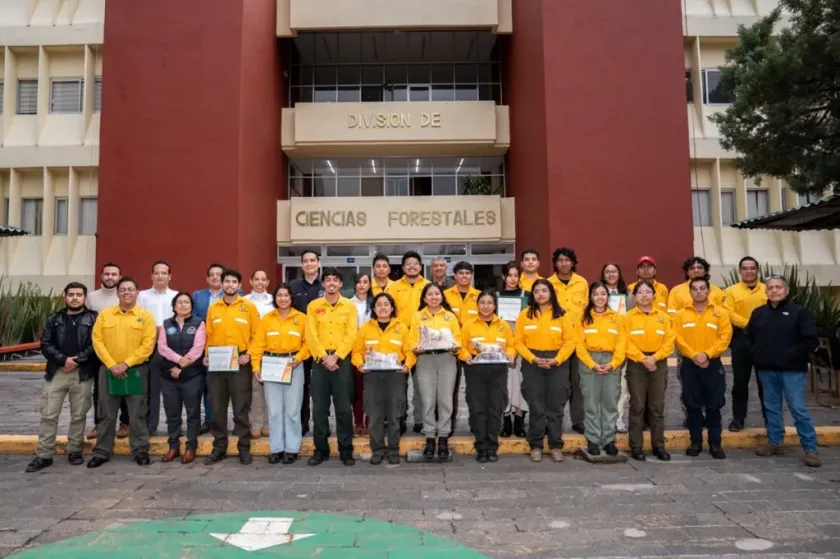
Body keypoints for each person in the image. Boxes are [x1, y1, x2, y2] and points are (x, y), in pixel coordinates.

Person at [747, 275, 821, 468]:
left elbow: (811, 339)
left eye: (778, 287)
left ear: (786, 290)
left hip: (792, 370)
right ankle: (775, 442)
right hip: (766, 369)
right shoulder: (758, 313)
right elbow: (749, 338)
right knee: (771, 407)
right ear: (766, 291)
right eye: (770, 288)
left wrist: (792, 354)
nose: (774, 291)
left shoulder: (799, 312)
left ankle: (811, 448)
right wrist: (757, 355)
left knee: (798, 408)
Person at [26, 283, 99, 473]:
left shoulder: (93, 319)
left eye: (79, 295)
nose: (75, 298)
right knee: (49, 414)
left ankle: (74, 451)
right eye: (71, 294)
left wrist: (77, 360)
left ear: (85, 298)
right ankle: (43, 454)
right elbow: (45, 344)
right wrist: (63, 360)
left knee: (79, 415)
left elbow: (96, 343)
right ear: (65, 297)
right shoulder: (53, 319)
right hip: (57, 372)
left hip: (82, 374)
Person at [88, 277, 157, 468]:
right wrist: (112, 365)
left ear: (137, 292)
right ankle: (102, 451)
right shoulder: (105, 315)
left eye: (130, 289)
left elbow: (147, 345)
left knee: (137, 413)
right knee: (106, 414)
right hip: (108, 371)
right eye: (123, 290)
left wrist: (126, 364)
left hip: (135, 371)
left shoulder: (146, 317)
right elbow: (97, 341)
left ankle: (140, 449)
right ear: (118, 293)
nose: (127, 292)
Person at [514, 279, 576, 463]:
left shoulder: (562, 315)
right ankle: (536, 445)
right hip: (533, 362)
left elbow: (570, 341)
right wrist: (533, 358)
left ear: (551, 293)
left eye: (544, 290)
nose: (540, 294)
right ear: (532, 295)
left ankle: (556, 445)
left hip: (558, 362)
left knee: (556, 406)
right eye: (536, 291)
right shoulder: (525, 315)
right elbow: (518, 341)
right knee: (536, 405)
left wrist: (557, 359)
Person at [203, 269, 260, 466]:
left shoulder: (249, 307)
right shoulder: (214, 308)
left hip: (240, 362)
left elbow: (257, 335)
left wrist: (249, 354)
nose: (229, 285)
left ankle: (244, 447)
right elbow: (208, 336)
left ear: (239, 285)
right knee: (217, 407)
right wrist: (206, 356)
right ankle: (219, 447)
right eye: (226, 281)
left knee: (241, 407)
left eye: (233, 282)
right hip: (218, 363)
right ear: (221, 283)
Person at [351, 292, 414, 465]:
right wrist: (359, 365)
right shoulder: (365, 329)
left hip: (395, 376)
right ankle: (377, 449)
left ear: (392, 308)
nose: (383, 308)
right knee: (375, 414)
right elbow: (357, 351)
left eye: (386, 304)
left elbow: (409, 351)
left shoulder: (401, 327)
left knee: (395, 414)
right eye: (379, 304)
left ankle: (393, 449)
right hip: (372, 376)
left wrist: (407, 365)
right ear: (374, 308)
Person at [251, 283, 310, 465]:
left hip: (293, 365)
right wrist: (256, 367)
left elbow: (308, 343)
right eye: (279, 295)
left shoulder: (302, 318)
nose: (283, 298)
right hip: (271, 365)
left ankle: (292, 448)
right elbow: (258, 344)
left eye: (286, 295)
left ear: (291, 298)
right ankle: (276, 448)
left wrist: (300, 357)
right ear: (275, 298)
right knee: (275, 412)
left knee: (292, 411)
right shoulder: (267, 319)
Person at [674, 277, 732, 460]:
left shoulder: (720, 314)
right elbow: (677, 338)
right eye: (695, 289)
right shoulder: (680, 315)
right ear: (690, 292)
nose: (699, 292)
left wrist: (707, 354)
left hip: (712, 363)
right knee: (692, 404)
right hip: (690, 364)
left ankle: (715, 443)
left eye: (702, 288)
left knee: (714, 404)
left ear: (709, 291)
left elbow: (724, 337)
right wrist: (693, 355)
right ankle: (695, 442)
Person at [306, 267, 358, 466]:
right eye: (328, 280)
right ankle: (321, 450)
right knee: (319, 408)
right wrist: (323, 357)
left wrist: (336, 356)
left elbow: (351, 333)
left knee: (344, 408)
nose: (331, 283)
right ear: (323, 284)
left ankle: (346, 450)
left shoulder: (349, 306)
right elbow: (311, 335)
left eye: (335, 280)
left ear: (341, 284)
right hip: (320, 362)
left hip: (342, 360)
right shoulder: (313, 306)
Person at [459, 290, 515, 463]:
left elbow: (511, 345)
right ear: (477, 305)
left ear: (495, 305)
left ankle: (492, 446)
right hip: (475, 371)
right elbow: (461, 346)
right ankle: (481, 446)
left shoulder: (503, 325)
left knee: (495, 408)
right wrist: (465, 355)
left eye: (489, 303)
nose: (486, 306)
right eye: (482, 302)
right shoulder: (469, 325)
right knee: (478, 409)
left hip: (497, 371)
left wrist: (511, 354)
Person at [408, 283, 462, 460]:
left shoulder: (450, 317)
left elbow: (458, 340)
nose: (433, 297)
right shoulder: (417, 317)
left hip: (447, 359)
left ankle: (444, 436)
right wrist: (416, 348)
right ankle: (430, 436)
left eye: (437, 294)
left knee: (445, 399)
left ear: (442, 297)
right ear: (424, 298)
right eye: (429, 294)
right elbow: (412, 341)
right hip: (425, 359)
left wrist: (455, 347)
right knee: (428, 399)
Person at [623, 280, 675, 462]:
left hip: (658, 363)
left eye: (648, 292)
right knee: (637, 405)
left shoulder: (663, 317)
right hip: (637, 365)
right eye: (640, 292)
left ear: (654, 296)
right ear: (634, 296)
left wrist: (655, 357)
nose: (644, 295)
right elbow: (625, 342)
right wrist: (642, 358)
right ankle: (636, 446)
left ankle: (658, 445)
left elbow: (669, 341)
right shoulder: (627, 318)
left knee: (657, 406)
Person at [575, 281, 627, 457]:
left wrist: (613, 363)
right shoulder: (583, 318)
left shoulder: (617, 318)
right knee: (591, 403)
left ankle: (609, 440)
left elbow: (622, 343)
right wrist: (592, 364)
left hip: (612, 362)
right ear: (590, 296)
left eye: (603, 294)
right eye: (596, 294)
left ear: (608, 296)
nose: (599, 297)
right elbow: (579, 345)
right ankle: (593, 440)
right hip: (590, 362)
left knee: (610, 403)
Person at [156, 292, 206, 465]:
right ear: (174, 305)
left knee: (193, 413)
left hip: (192, 376)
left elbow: (198, 348)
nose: (183, 305)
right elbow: (162, 347)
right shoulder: (166, 324)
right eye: (179, 302)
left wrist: (181, 366)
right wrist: (178, 361)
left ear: (192, 306)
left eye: (187, 302)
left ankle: (191, 447)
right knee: (172, 413)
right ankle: (173, 446)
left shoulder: (199, 323)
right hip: (169, 376)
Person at [388, 250, 431, 434]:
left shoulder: (428, 286)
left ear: (420, 266)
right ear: (403, 267)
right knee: (398, 385)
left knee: (422, 384)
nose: (412, 266)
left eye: (415, 263)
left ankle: (421, 419)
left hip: (423, 343)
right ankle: (400, 418)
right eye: (408, 264)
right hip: (400, 342)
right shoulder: (394, 287)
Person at [86, 262, 129, 441]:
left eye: (114, 274)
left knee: (126, 387)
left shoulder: (125, 295)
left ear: (119, 277)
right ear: (101, 276)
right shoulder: (91, 297)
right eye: (107, 274)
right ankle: (100, 423)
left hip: (124, 348)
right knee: (100, 389)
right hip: (99, 350)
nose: (110, 277)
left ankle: (125, 423)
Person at [547, 247, 588, 435]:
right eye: (560, 260)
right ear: (555, 262)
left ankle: (578, 419)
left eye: (568, 260)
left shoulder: (582, 283)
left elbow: (587, 312)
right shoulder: (547, 284)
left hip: (578, 341)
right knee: (557, 384)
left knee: (577, 383)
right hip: (556, 341)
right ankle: (553, 420)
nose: (564, 263)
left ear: (573, 262)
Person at [724, 256, 767, 432]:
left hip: (765, 340)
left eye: (752, 268)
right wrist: (750, 324)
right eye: (745, 268)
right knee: (740, 382)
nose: (749, 271)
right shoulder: (731, 291)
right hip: (741, 340)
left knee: (766, 382)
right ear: (739, 271)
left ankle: (770, 418)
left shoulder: (767, 289)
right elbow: (729, 312)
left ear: (758, 270)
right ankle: (738, 418)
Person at [137, 260, 178, 437]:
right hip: (151, 348)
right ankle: (150, 425)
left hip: (172, 348)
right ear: (151, 276)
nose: (160, 276)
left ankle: (174, 425)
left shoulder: (176, 296)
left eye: (164, 273)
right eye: (156, 273)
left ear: (170, 276)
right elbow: (138, 320)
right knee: (151, 390)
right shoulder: (142, 296)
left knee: (173, 390)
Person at [443, 261, 481, 433]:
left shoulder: (479, 296)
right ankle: (448, 423)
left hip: (474, 350)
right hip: (451, 349)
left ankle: (475, 422)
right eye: (461, 273)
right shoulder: (445, 295)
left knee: (474, 390)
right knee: (449, 389)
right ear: (455, 276)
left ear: (471, 276)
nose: (464, 276)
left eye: (467, 273)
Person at [290, 250, 324, 437]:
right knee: (300, 387)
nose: (309, 264)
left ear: (318, 263)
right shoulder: (293, 286)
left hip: (321, 345)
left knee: (320, 389)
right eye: (305, 261)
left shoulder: (327, 285)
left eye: (312, 260)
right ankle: (302, 424)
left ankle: (322, 425)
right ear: (301, 265)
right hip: (299, 345)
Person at [192, 263, 226, 434]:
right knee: (208, 385)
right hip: (203, 345)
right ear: (207, 278)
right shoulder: (197, 296)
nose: (215, 277)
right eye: (212, 274)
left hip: (227, 346)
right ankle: (209, 420)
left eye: (218, 274)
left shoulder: (237, 295)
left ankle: (226, 421)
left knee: (229, 386)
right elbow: (194, 318)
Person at [497, 262, 529, 437]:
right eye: (509, 275)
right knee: (506, 383)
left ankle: (519, 418)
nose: (513, 279)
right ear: (503, 277)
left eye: (516, 275)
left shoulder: (527, 296)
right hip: (503, 346)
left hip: (523, 344)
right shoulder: (496, 296)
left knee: (522, 382)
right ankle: (506, 418)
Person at [601, 262, 633, 433]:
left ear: (619, 274)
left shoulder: (628, 295)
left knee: (622, 386)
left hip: (623, 345)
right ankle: (602, 419)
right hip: (603, 345)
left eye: (614, 271)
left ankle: (618, 419)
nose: (611, 274)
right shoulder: (597, 293)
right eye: (607, 272)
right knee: (604, 386)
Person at [245, 269, 274, 440]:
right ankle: (255, 424)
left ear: (268, 282)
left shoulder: (273, 300)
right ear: (251, 281)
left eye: (264, 279)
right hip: (252, 350)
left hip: (272, 351)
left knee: (270, 389)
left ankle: (269, 424)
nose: (260, 282)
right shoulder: (244, 301)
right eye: (257, 279)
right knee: (255, 389)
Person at [350, 272, 372, 435]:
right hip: (354, 350)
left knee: (372, 390)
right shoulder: (348, 304)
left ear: (370, 285)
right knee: (357, 390)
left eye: (365, 282)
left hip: (374, 351)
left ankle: (370, 422)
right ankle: (358, 422)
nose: (362, 285)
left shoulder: (376, 303)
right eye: (359, 282)